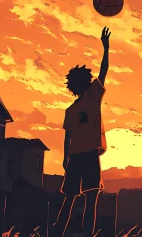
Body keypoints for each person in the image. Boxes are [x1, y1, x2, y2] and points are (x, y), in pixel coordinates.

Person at [53, 27, 111, 237]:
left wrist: (65, 159)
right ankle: (87, 233)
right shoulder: (94, 96)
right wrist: (106, 47)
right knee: (91, 200)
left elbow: (67, 138)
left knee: (69, 199)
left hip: (75, 157)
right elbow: (104, 70)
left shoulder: (70, 110)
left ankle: (58, 232)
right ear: (86, 81)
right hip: (88, 156)